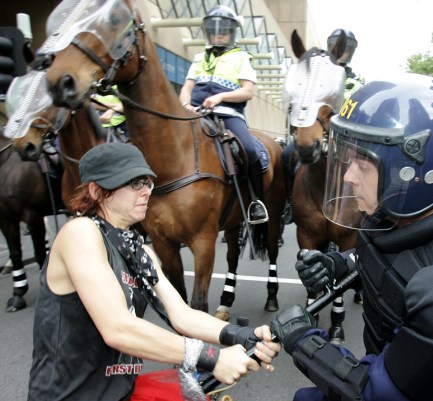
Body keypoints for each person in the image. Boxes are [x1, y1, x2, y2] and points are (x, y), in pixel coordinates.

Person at [270, 74, 433, 401]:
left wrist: (304, 340)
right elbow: (392, 257)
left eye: (362, 165)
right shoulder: (399, 211)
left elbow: (376, 393)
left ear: (415, 173)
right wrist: (338, 264)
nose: (348, 177)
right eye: (347, 159)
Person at [27, 141, 281, 400]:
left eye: (147, 182)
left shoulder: (140, 249)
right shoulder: (81, 233)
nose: (147, 191)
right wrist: (212, 357)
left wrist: (241, 335)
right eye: (134, 183)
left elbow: (181, 315)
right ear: (96, 191)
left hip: (119, 392)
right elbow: (118, 328)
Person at [179, 5, 268, 224]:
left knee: (248, 149)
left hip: (228, 115)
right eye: (214, 29)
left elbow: (247, 91)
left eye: (224, 30)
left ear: (232, 32)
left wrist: (220, 97)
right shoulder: (200, 58)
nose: (219, 34)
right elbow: (186, 89)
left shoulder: (242, 58)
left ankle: (256, 202)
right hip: (197, 114)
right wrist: (185, 105)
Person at [282, 28, 366, 223]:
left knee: (371, 164)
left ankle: (370, 208)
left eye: (347, 48)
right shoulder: (316, 78)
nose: (344, 52)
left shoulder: (357, 80)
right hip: (321, 130)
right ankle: (288, 203)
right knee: (286, 155)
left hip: (347, 133)